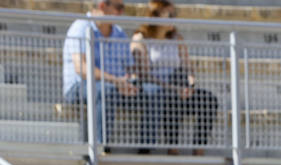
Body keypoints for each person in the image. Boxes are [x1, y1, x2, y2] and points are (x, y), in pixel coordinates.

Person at [62, 0, 161, 150]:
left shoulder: (119, 33)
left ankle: (146, 149)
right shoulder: (81, 27)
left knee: (153, 91)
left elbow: (130, 68)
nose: (122, 12)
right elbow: (81, 68)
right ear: (102, 6)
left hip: (116, 86)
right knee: (106, 90)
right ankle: (101, 148)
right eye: (118, 8)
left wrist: (129, 82)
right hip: (81, 87)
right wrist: (116, 81)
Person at [130, 0, 218, 154]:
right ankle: (173, 147)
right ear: (155, 16)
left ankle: (199, 149)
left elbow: (189, 69)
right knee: (171, 95)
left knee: (209, 99)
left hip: (179, 87)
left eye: (174, 14)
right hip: (156, 89)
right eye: (170, 15)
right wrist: (174, 88)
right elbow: (144, 74)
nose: (174, 18)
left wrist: (190, 86)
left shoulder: (177, 39)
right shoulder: (140, 38)